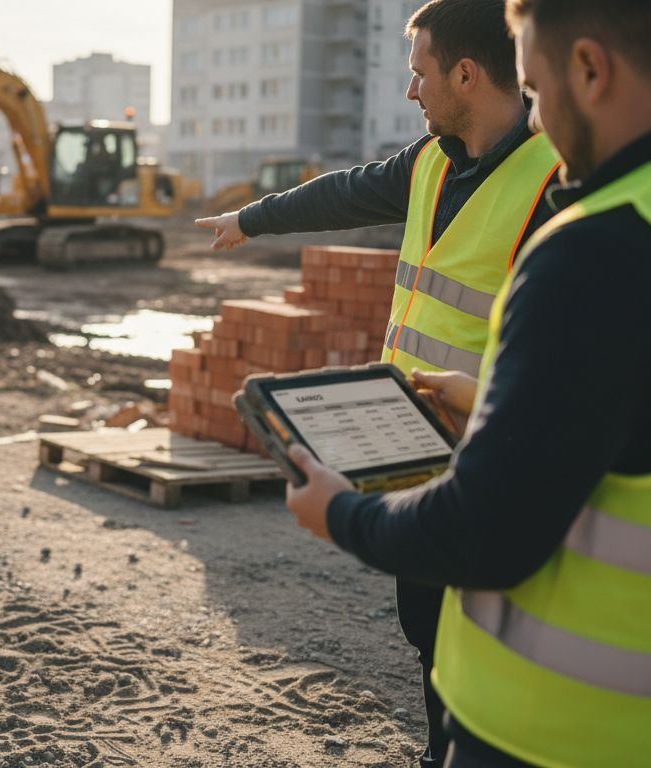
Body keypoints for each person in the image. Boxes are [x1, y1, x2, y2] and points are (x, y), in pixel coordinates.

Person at [283, 0, 651, 765]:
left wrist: (341, 514)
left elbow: (483, 533)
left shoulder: (600, 251)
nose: (536, 126)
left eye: (533, 89)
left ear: (590, 70)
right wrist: (510, 411)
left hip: (556, 732)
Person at [199, 1, 561, 763]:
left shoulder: (555, 182)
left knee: (479, 646)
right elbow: (342, 191)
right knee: (425, 628)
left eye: (419, 74)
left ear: (466, 74)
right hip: (410, 451)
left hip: (494, 453)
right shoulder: (429, 162)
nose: (410, 92)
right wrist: (253, 219)